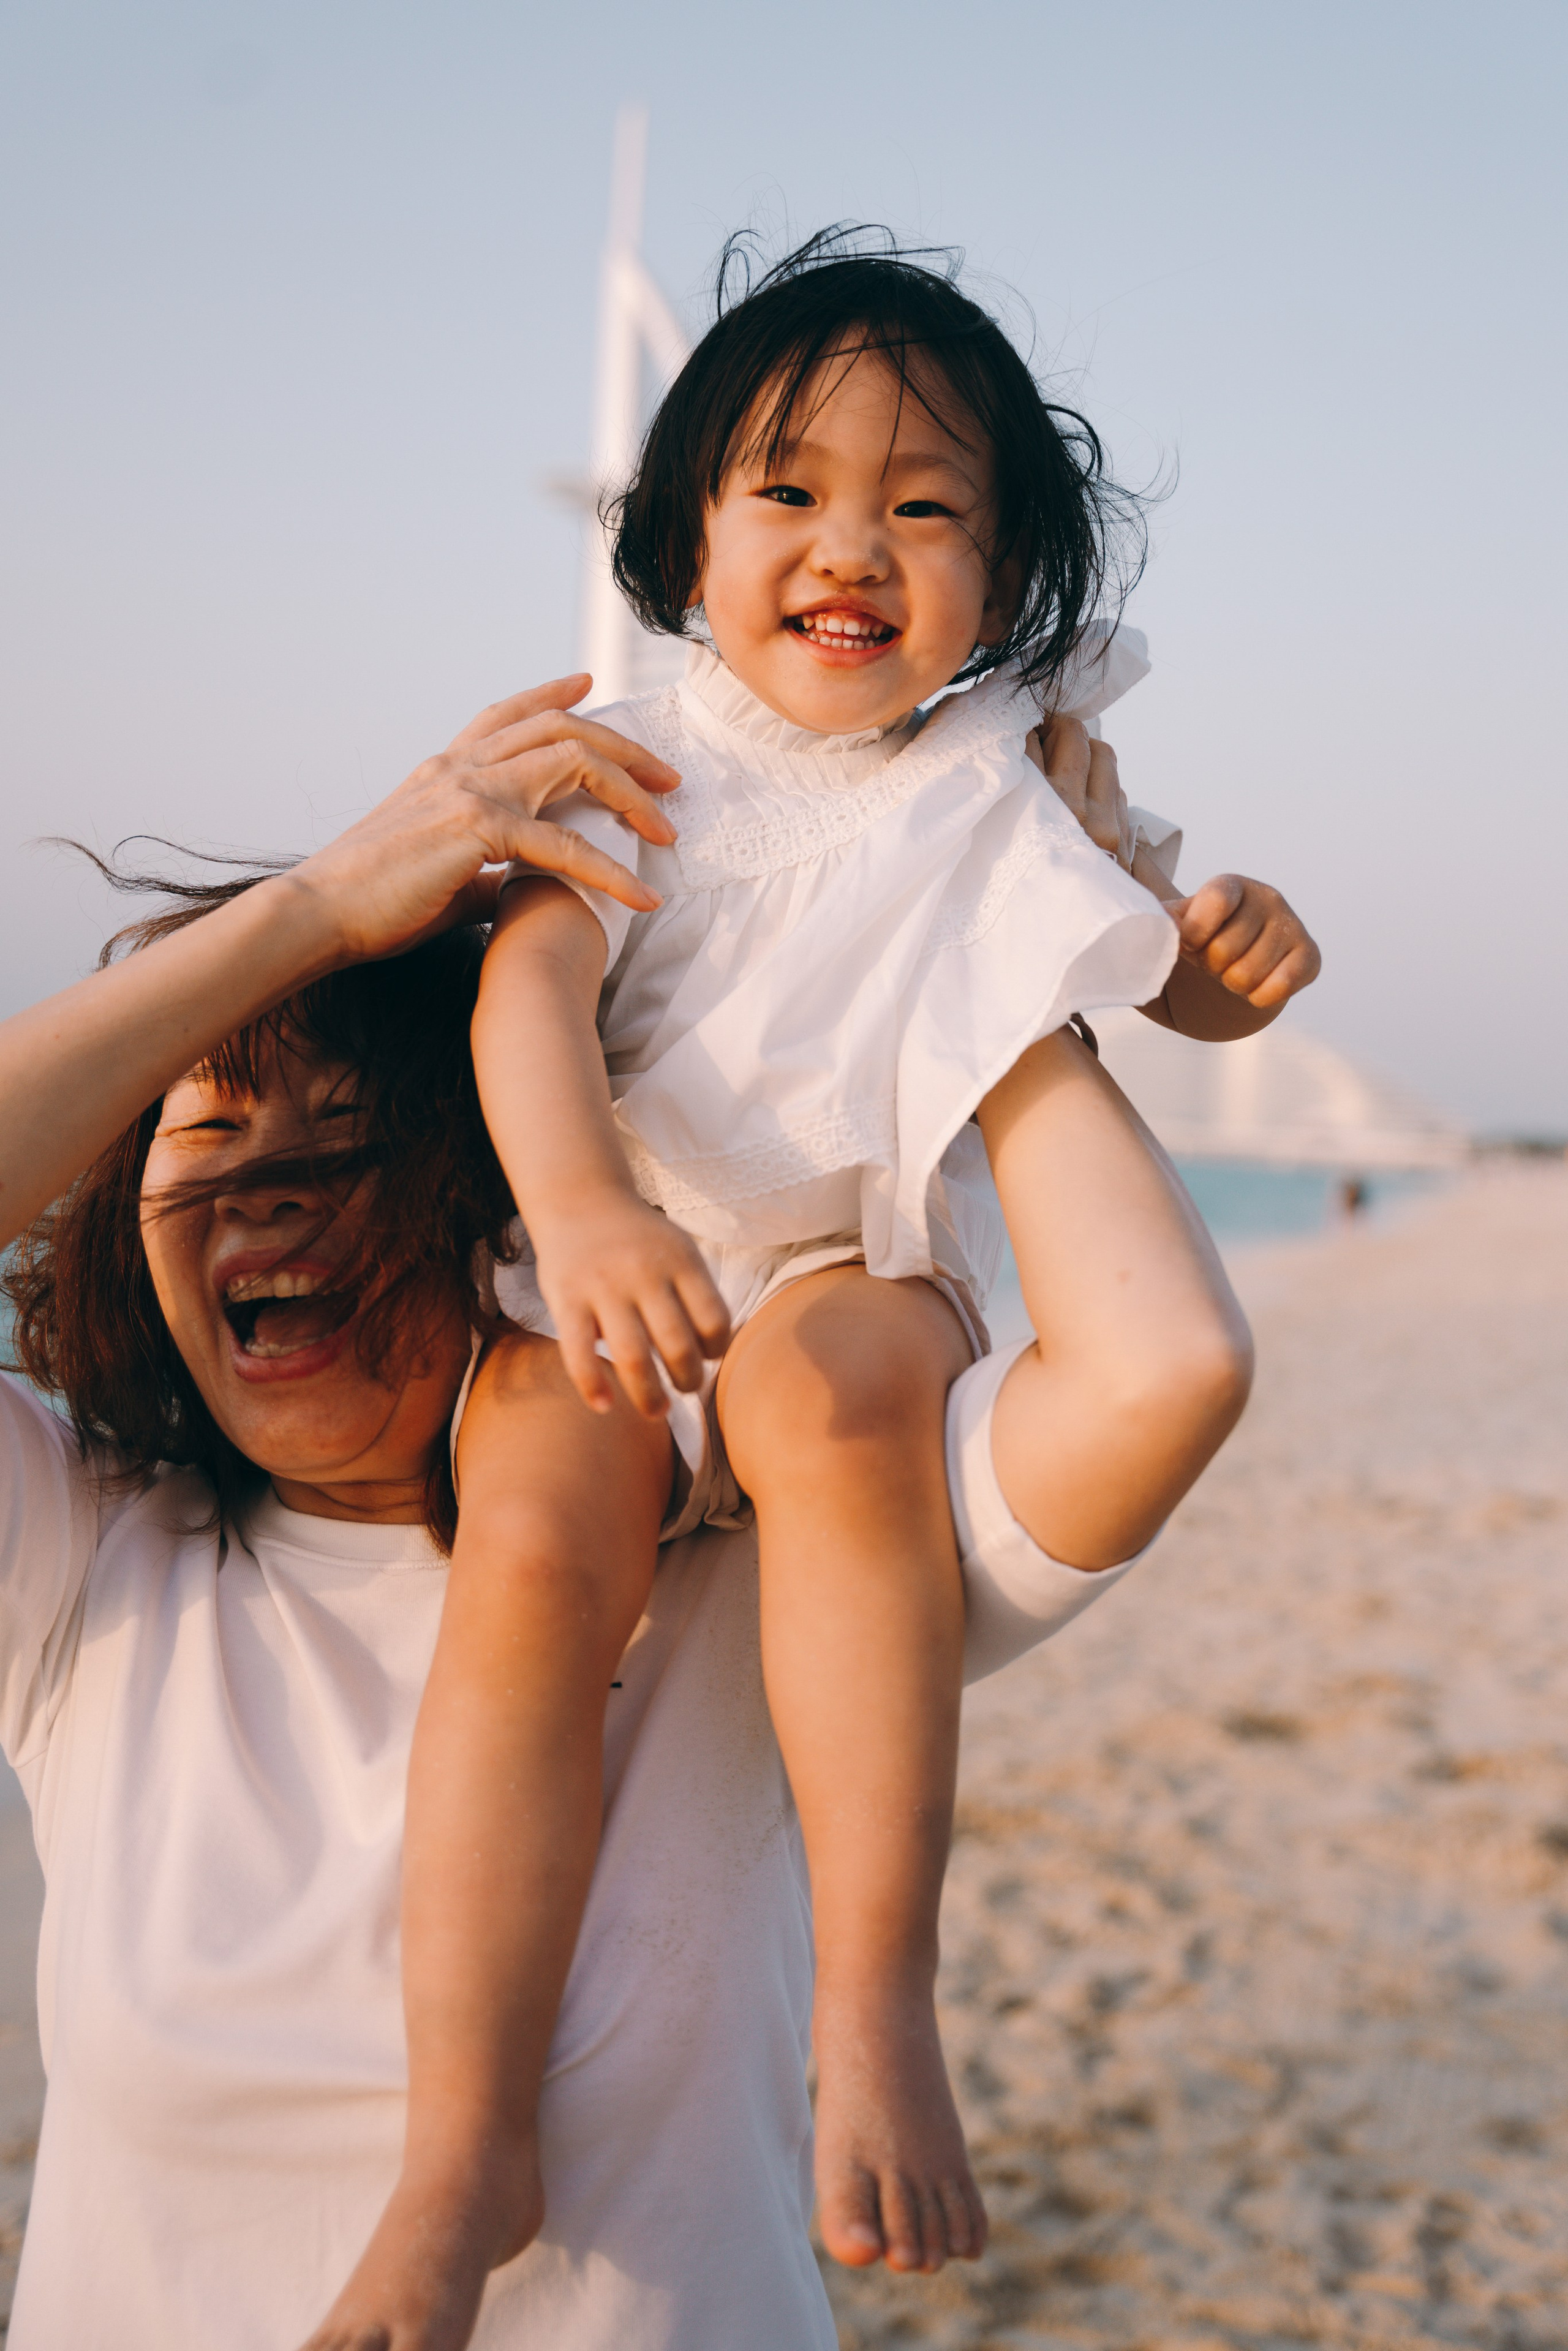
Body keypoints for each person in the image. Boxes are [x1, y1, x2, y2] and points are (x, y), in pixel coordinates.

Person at [311, 235, 1321, 2351]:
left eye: (926, 506)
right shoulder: (634, 750)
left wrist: (1216, 965)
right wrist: (581, 1211)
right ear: (684, 533)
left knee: (845, 1409)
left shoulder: (1009, 768)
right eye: (789, 492)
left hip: (850, 1252)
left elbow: (1125, 951)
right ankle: (464, 2130)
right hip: (616, 1256)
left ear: (1008, 575)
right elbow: (532, 987)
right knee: (538, 1534)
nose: (852, 544)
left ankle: (875, 1997)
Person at [2, 689, 1247, 2348]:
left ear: (491, 1194)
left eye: (356, 1128)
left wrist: (1003, 925)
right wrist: (305, 914)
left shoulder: (759, 1539)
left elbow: (1166, 1363)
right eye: (210, 1132)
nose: (275, 1185)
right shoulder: (85, 1562)